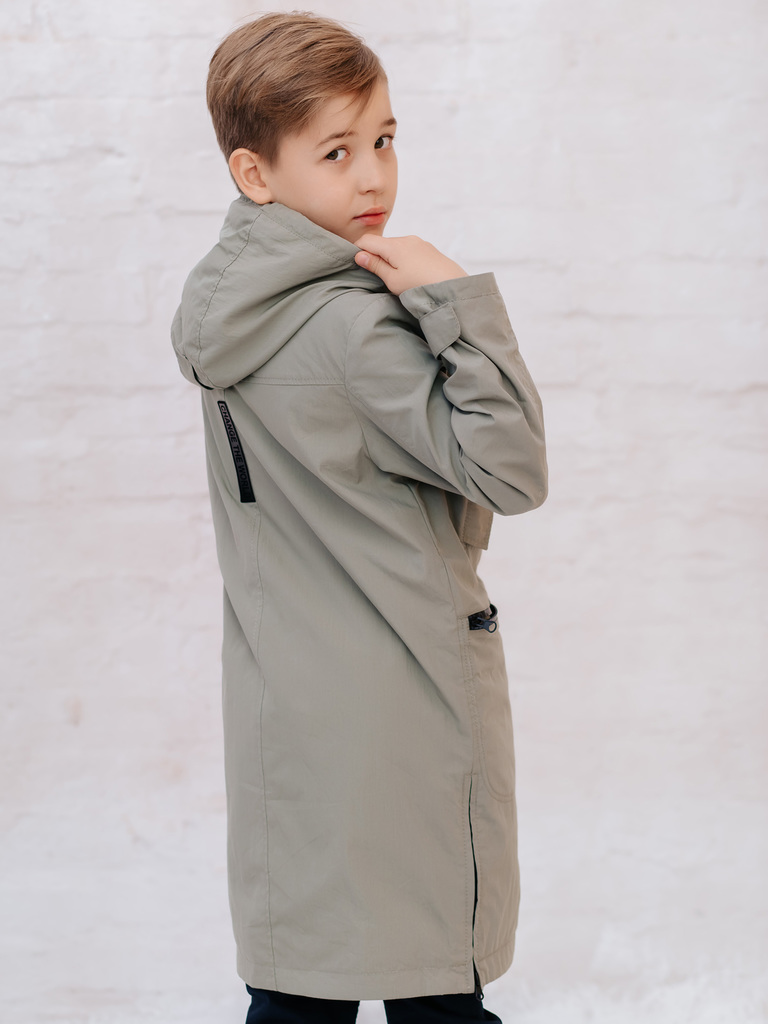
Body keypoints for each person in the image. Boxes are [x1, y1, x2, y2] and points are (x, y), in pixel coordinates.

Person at [171, 12, 547, 1023]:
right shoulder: (356, 325)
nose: (374, 177)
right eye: (336, 152)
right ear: (256, 173)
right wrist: (455, 300)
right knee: (437, 996)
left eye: (383, 139)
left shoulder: (229, 314)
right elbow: (512, 470)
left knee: (301, 992)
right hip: (406, 713)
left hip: (287, 713)